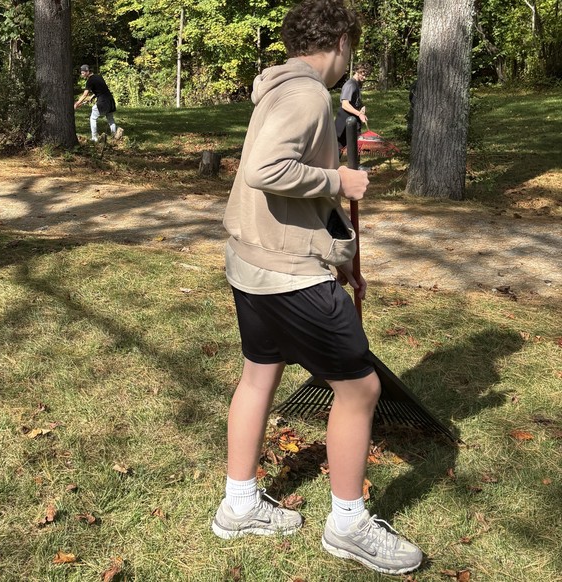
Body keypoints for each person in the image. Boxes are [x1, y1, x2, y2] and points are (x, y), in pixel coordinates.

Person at [213, 0, 423, 576]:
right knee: (359, 390)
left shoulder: (281, 89)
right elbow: (265, 169)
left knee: (259, 375)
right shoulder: (307, 95)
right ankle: (348, 524)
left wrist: (341, 254)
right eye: (351, 47)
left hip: (253, 263)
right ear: (340, 43)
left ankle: (238, 505)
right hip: (287, 275)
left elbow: (294, 185)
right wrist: (340, 178)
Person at [74, 65, 123, 142]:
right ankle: (114, 136)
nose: (82, 74)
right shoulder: (98, 77)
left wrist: (77, 103)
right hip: (110, 100)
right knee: (110, 119)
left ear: (87, 72)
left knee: (93, 118)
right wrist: (92, 97)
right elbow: (101, 89)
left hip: (103, 102)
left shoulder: (90, 81)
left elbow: (85, 94)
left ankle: (94, 138)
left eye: (83, 73)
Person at [335, 62, 369, 152]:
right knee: (339, 147)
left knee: (356, 145)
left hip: (353, 119)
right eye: (363, 75)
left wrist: (362, 106)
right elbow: (345, 104)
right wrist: (359, 114)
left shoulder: (357, 84)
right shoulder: (350, 85)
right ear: (357, 71)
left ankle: (355, 162)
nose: (365, 78)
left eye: (366, 75)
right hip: (344, 120)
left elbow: (355, 100)